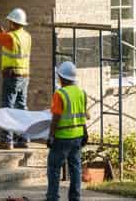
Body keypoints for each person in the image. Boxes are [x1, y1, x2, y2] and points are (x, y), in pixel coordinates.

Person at [0, 7, 31, 149]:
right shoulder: (26, 36)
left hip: (11, 76)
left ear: (13, 23)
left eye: (9, 22)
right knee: (22, 108)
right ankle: (24, 139)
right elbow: (6, 37)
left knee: (7, 108)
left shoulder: (10, 37)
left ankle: (7, 140)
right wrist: (1, 27)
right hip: (24, 76)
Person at [46, 60, 87, 201]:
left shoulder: (60, 94)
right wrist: (84, 131)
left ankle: (52, 197)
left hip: (62, 137)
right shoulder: (81, 92)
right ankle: (75, 198)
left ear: (62, 77)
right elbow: (84, 114)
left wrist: (51, 136)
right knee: (75, 168)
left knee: (54, 168)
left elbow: (56, 117)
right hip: (78, 136)